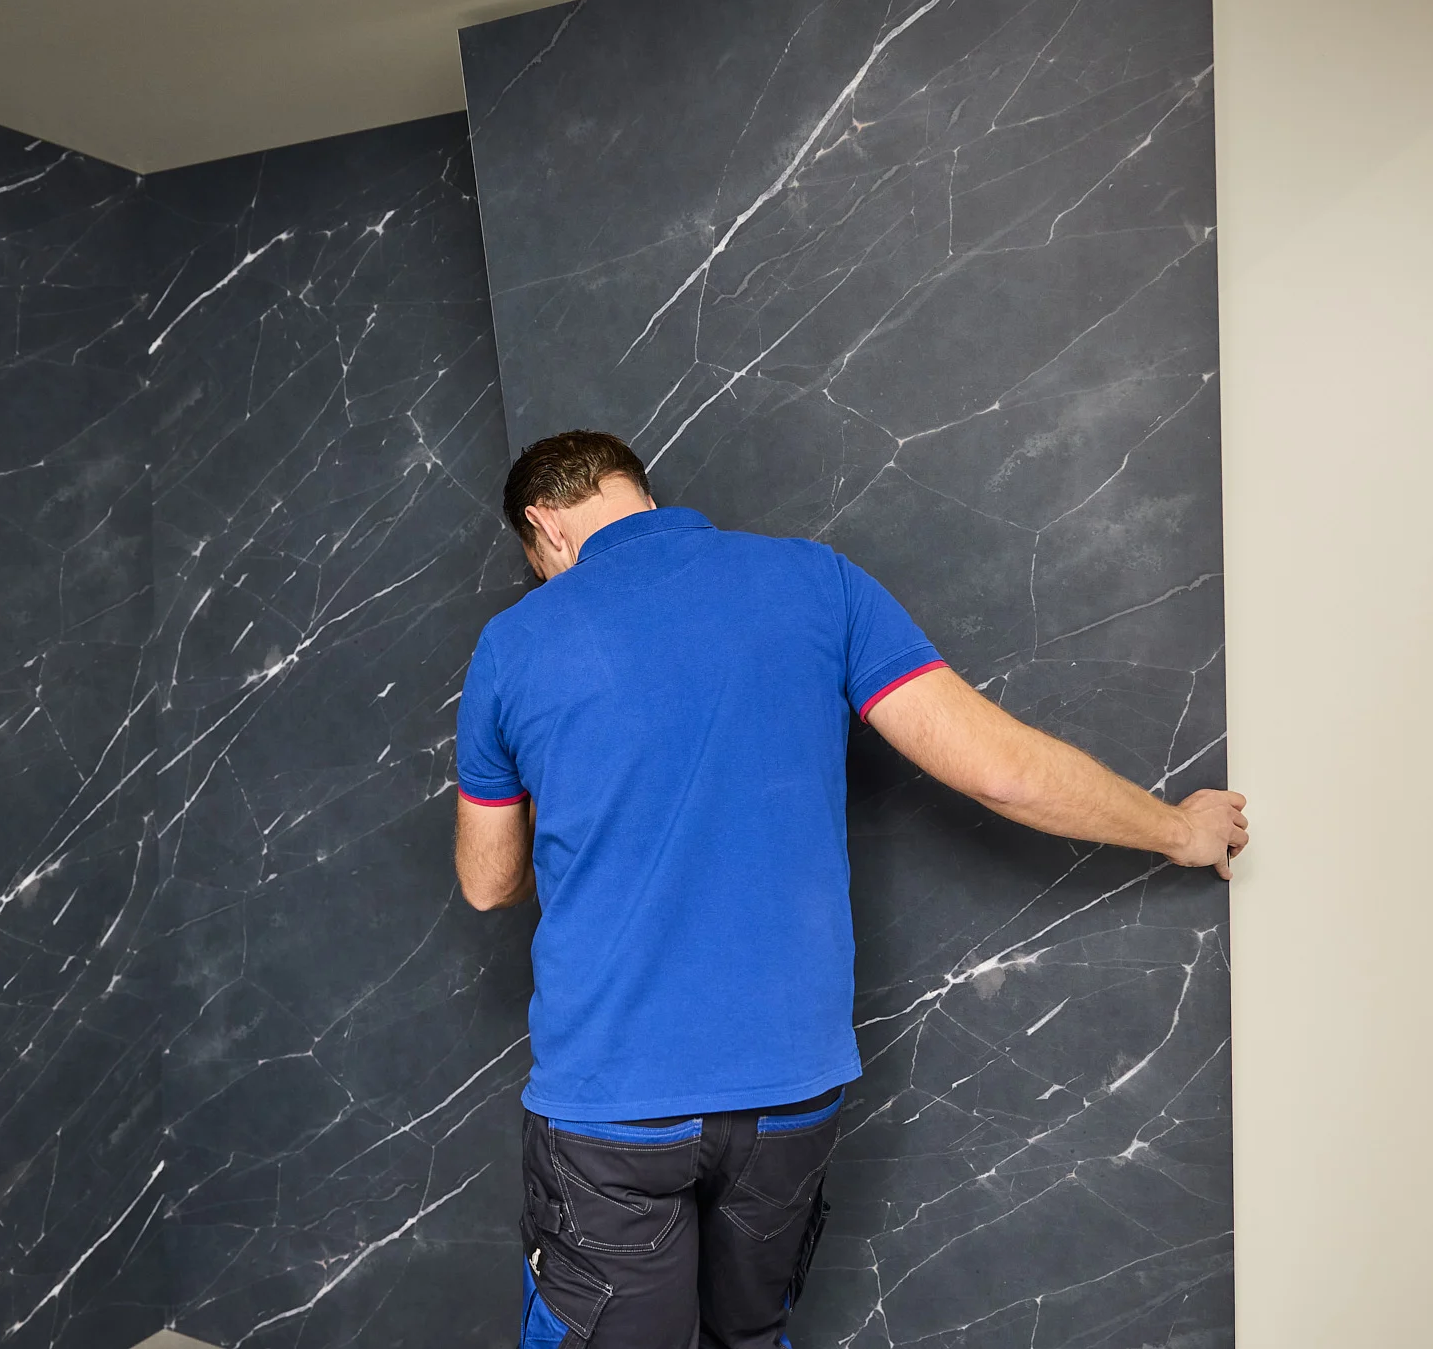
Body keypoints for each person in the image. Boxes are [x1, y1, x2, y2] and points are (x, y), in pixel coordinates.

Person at [454, 431, 1247, 1349]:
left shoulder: (514, 644)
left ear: (545, 525)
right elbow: (1001, 770)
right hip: (790, 1095)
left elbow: (488, 882)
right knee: (749, 1336)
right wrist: (1180, 829)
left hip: (611, 1108)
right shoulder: (816, 581)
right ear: (635, 489)